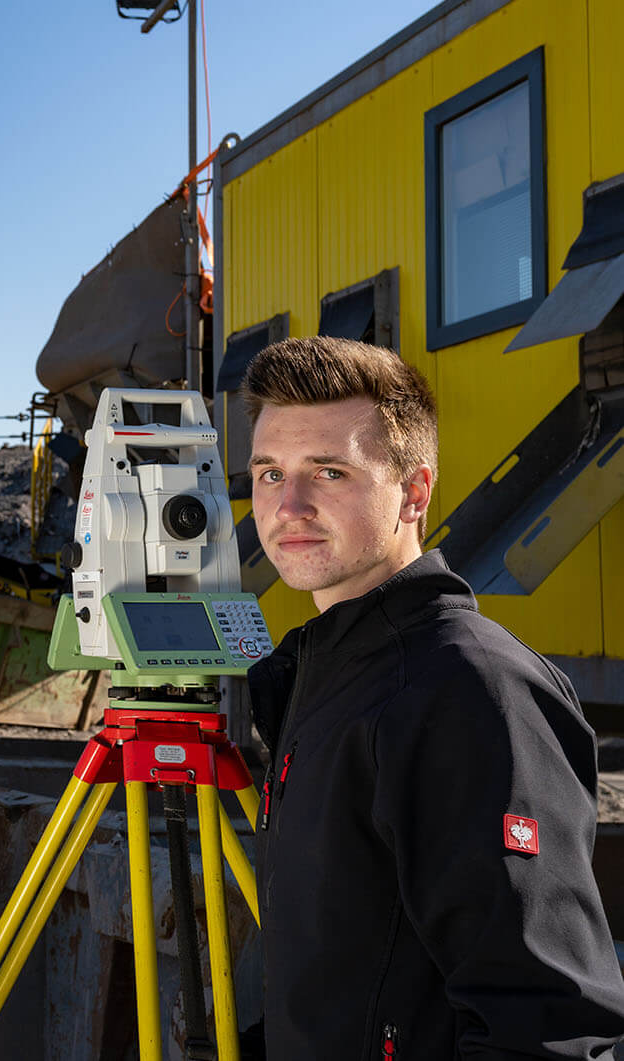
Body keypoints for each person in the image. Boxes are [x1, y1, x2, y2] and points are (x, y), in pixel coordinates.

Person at [242, 336, 624, 1058]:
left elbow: (548, 1029)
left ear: (414, 492)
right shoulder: (325, 675)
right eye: (269, 473)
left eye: (328, 471)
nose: (288, 505)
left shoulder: (473, 692)